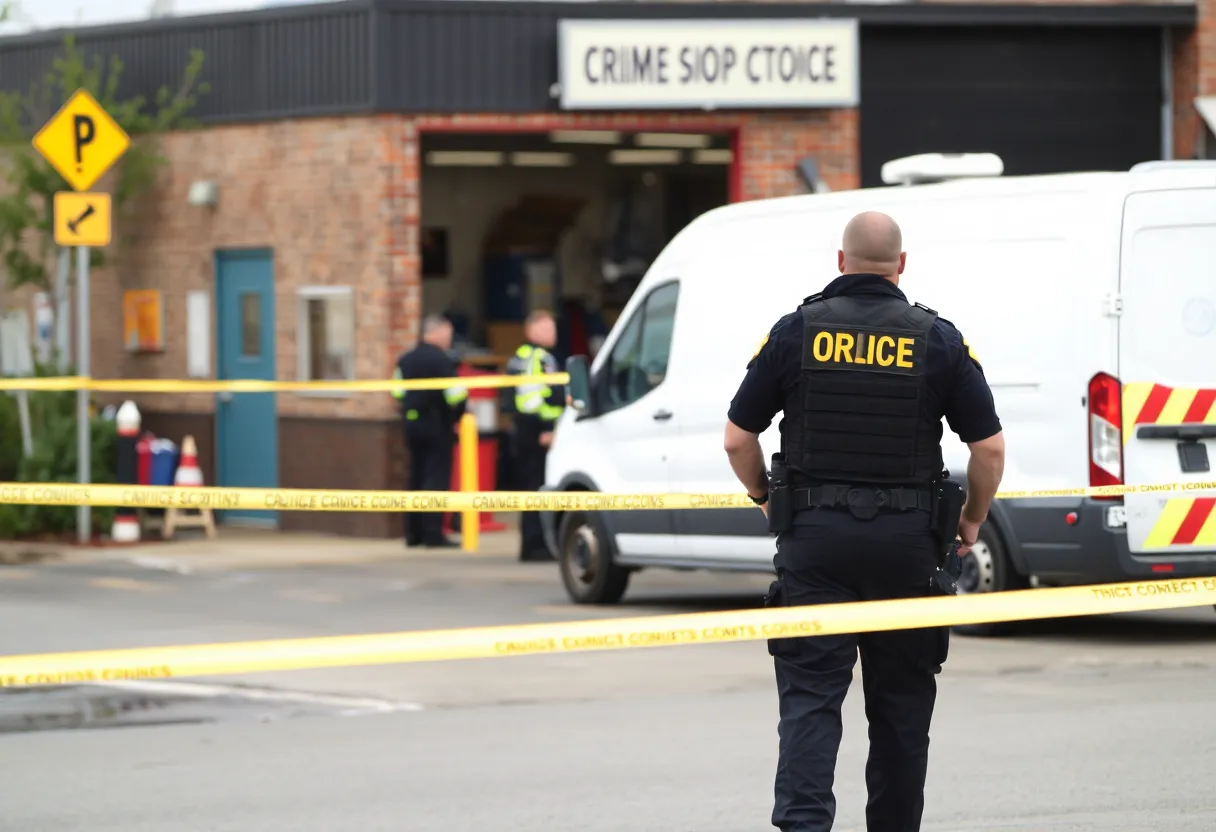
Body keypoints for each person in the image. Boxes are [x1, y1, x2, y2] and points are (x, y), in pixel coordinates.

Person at [723, 211, 1006, 832]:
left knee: (810, 701)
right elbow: (987, 449)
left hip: (815, 546)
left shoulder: (797, 331)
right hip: (908, 551)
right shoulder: (936, 339)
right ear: (901, 265)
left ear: (840, 260)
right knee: (902, 709)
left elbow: (738, 438)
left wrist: (764, 498)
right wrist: (970, 521)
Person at [392, 314, 469, 548]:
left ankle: (413, 534)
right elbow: (456, 396)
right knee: (436, 478)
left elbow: (396, 392)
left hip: (411, 425)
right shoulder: (443, 361)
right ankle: (433, 534)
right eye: (448, 334)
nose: (449, 339)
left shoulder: (405, 359)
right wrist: (455, 418)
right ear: (438, 333)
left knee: (414, 476)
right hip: (437, 426)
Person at [505, 309, 565, 561]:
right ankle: (536, 545)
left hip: (523, 430)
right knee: (537, 488)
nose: (553, 333)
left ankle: (531, 545)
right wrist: (546, 429)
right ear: (531, 330)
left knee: (529, 487)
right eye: (547, 328)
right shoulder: (540, 358)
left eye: (553, 327)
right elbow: (535, 398)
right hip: (537, 431)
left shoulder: (519, 356)